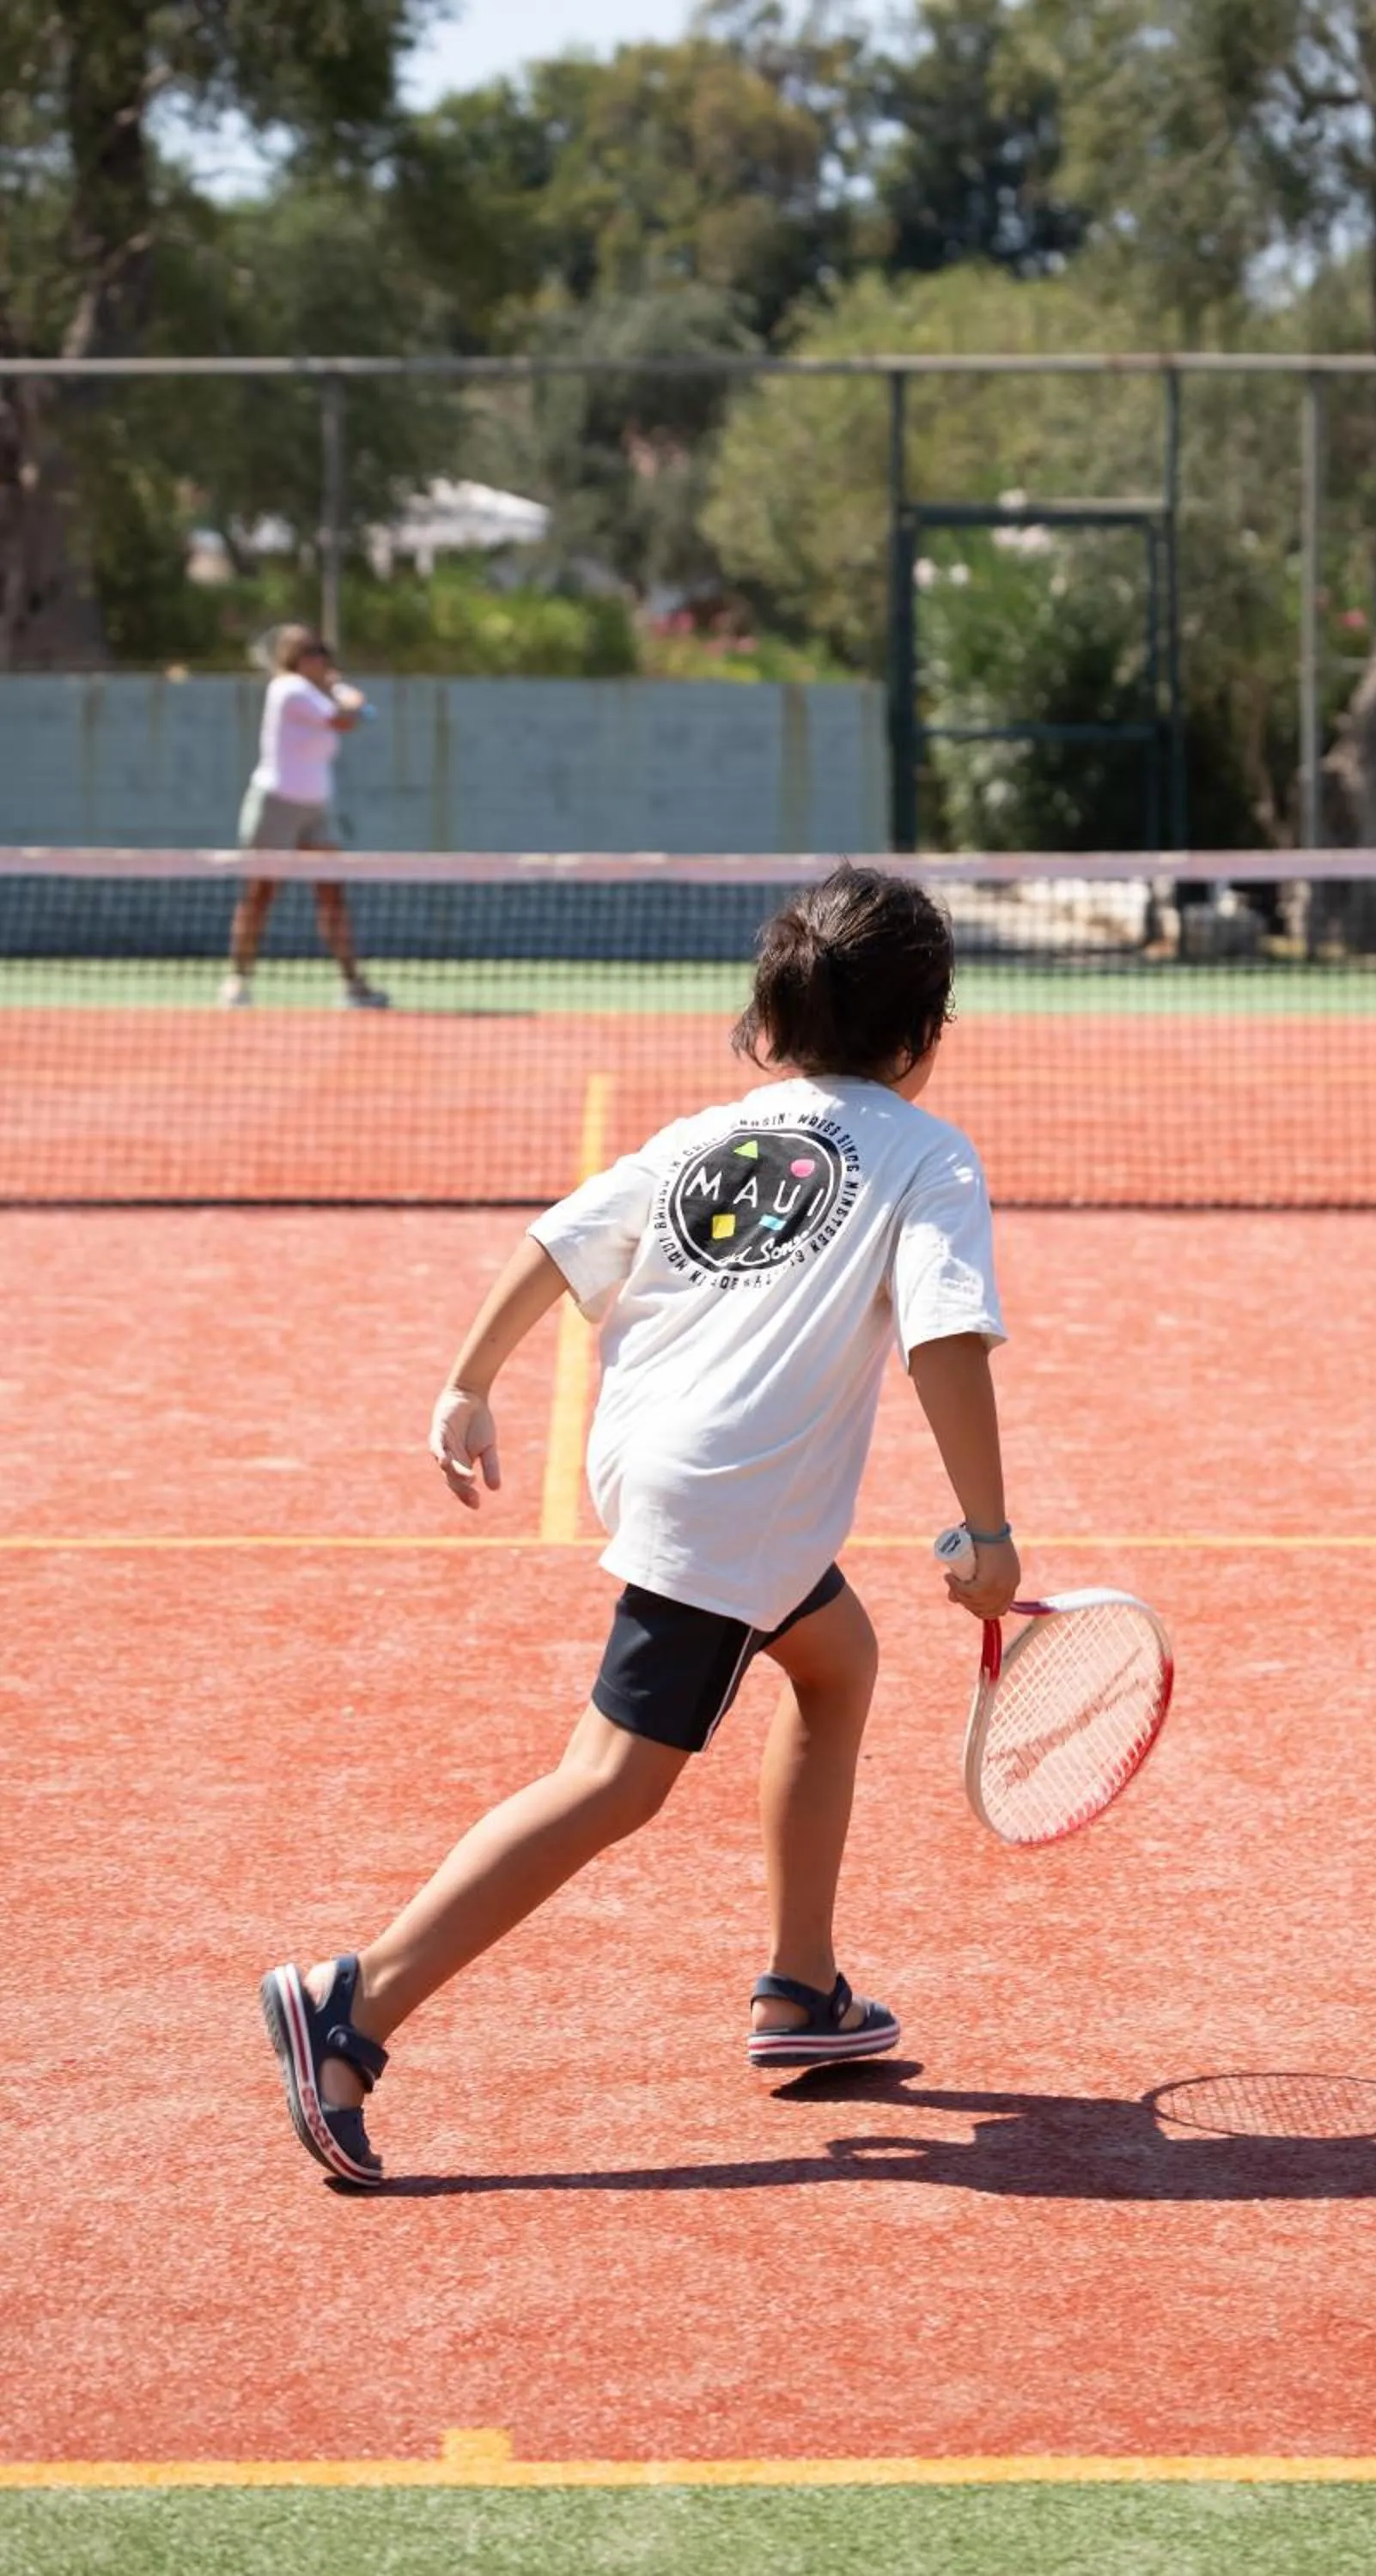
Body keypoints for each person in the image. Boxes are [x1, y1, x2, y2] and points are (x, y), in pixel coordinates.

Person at [259, 864, 1021, 2187]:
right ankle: (354, 2003)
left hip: (666, 1467)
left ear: (772, 1019)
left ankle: (802, 1987)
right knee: (612, 1780)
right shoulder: (927, 1156)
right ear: (926, 1031)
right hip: (734, 1502)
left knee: (837, 1660)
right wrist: (989, 1529)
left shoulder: (704, 1136)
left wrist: (468, 1381)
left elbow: (558, 1244)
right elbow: (946, 1339)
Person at [221, 624, 387, 1009]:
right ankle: (237, 981)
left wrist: (340, 693)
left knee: (333, 896)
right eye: (310, 652)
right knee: (260, 894)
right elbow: (343, 719)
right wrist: (346, 694)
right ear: (293, 659)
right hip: (276, 803)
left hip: (317, 806)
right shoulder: (288, 689)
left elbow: (350, 715)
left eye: (322, 651)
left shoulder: (321, 692)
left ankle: (353, 986)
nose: (319, 659)